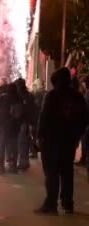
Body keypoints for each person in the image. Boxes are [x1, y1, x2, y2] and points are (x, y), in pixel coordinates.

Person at [35, 68, 89, 215]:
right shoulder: (77, 97)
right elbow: (84, 119)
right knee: (67, 172)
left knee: (51, 173)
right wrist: (77, 136)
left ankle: (51, 204)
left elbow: (44, 117)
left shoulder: (51, 96)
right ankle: (67, 203)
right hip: (69, 141)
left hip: (51, 141)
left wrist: (39, 137)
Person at [0, 84, 22, 175]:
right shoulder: (18, 99)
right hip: (14, 126)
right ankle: (13, 166)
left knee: (1, 146)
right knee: (13, 146)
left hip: (0, 125)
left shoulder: (0, 99)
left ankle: (1, 167)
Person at [14, 78, 39, 171]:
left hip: (21, 122)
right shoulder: (29, 95)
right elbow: (34, 109)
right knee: (24, 142)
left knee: (21, 143)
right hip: (27, 122)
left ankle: (23, 163)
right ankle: (24, 162)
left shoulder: (19, 96)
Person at [30, 78, 47, 159]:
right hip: (45, 118)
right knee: (43, 136)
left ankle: (34, 152)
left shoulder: (36, 93)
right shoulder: (46, 93)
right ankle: (43, 152)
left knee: (34, 136)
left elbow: (35, 106)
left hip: (36, 118)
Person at [75, 77, 89, 167]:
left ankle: (84, 159)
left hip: (87, 122)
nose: (82, 85)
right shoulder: (86, 93)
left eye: (83, 83)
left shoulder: (88, 93)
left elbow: (86, 108)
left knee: (85, 141)